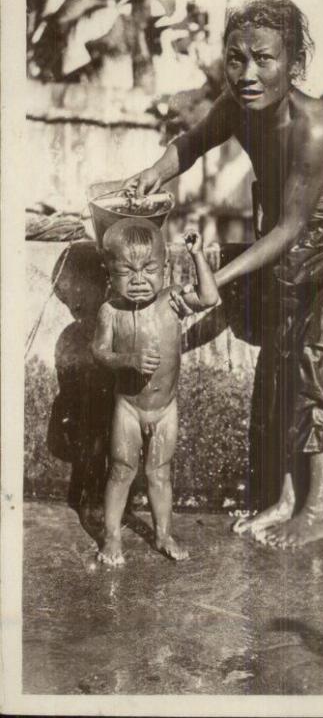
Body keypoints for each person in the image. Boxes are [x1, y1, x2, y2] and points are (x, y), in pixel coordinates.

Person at [123, 0, 323, 549]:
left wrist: (215, 282)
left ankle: (319, 512)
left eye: (263, 60)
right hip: (303, 252)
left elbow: (287, 229)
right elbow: (191, 144)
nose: (247, 74)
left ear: (293, 63)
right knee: (285, 359)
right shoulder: (236, 106)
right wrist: (155, 172)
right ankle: (286, 501)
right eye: (236, 58)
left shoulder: (313, 128)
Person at [92, 218, 219, 565]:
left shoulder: (171, 302)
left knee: (159, 473)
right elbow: (99, 352)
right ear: (109, 273)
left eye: (148, 269)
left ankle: (163, 534)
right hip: (129, 408)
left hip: (165, 408)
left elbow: (210, 296)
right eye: (126, 272)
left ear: (165, 268)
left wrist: (197, 255)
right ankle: (112, 536)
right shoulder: (111, 312)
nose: (138, 281)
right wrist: (128, 359)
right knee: (121, 470)